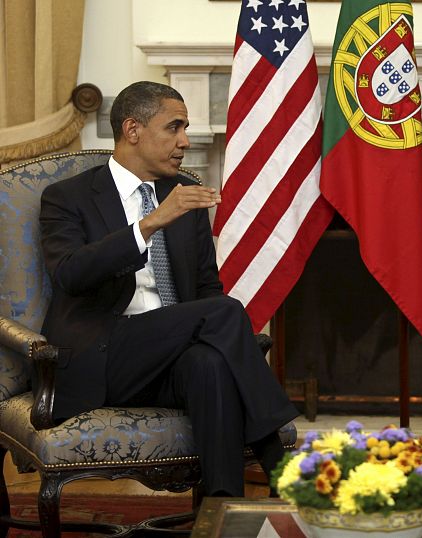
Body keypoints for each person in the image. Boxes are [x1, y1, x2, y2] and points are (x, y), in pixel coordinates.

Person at [38, 81, 299, 497]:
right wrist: (150, 223)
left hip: (168, 360)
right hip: (104, 357)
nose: (185, 141)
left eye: (186, 128)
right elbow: (70, 274)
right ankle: (278, 458)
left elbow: (206, 290)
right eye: (173, 127)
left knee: (210, 365)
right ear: (133, 130)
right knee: (227, 311)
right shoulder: (67, 197)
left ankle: (219, 513)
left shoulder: (183, 197)